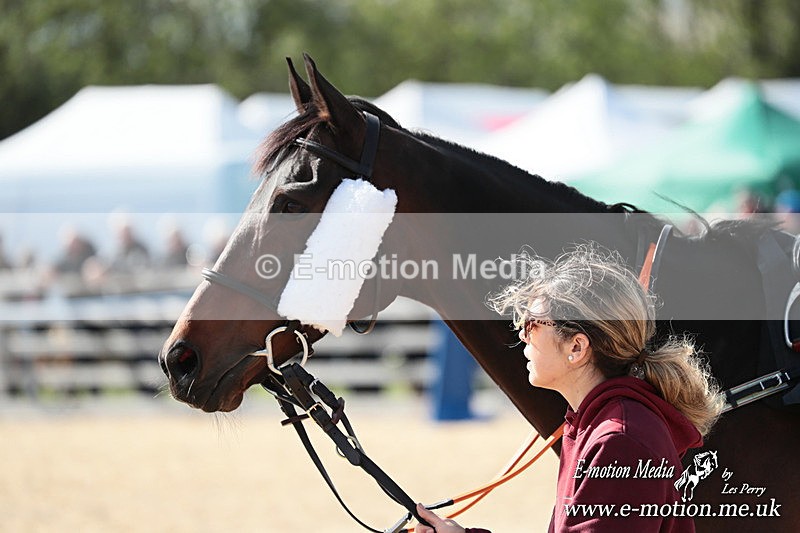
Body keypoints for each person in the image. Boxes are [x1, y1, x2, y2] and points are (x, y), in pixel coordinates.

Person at [415, 244, 724, 533]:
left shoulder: (619, 440)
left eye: (533, 324)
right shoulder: (598, 425)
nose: (523, 335)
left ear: (576, 347)